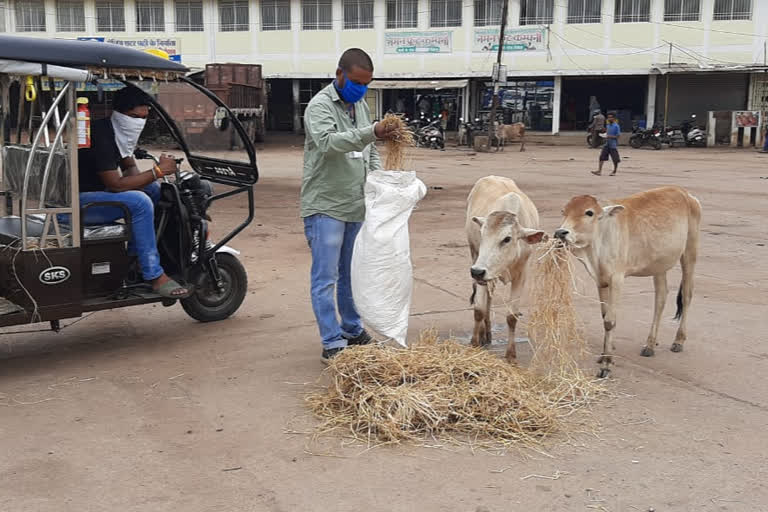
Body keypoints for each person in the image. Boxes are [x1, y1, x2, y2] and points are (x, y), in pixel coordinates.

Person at [301, 48, 398, 362]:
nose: (361, 89)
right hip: (325, 205)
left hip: (355, 204)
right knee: (325, 277)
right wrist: (372, 131)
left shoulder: (360, 106)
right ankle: (331, 342)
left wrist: (378, 180)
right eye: (356, 82)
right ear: (340, 74)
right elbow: (329, 143)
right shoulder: (319, 106)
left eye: (366, 84)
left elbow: (368, 150)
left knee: (351, 273)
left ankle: (353, 329)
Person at [78, 85, 190, 298]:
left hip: (95, 197)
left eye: (143, 118)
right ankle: (154, 275)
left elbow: (131, 170)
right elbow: (116, 185)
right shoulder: (101, 135)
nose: (138, 123)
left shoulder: (116, 133)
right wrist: (157, 171)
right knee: (140, 202)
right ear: (119, 114)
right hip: (78, 204)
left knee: (151, 192)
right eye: (134, 117)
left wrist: (151, 179)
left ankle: (133, 260)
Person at [592, 111, 621, 176]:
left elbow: (618, 136)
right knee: (601, 157)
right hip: (607, 144)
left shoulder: (616, 126)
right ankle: (599, 171)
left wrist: (609, 136)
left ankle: (614, 171)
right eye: (608, 117)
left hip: (613, 145)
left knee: (615, 159)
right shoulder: (608, 126)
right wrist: (604, 135)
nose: (609, 119)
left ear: (614, 118)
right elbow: (607, 133)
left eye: (611, 117)